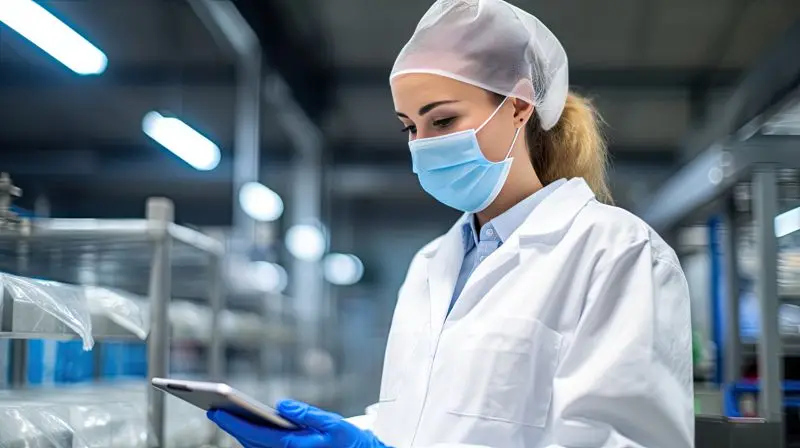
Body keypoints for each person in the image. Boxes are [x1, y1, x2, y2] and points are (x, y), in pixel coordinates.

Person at [207, 0, 695, 446]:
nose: (422, 145)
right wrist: (347, 436)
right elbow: (420, 420)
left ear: (519, 106)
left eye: (441, 121)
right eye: (409, 127)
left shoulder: (617, 253)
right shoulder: (429, 266)